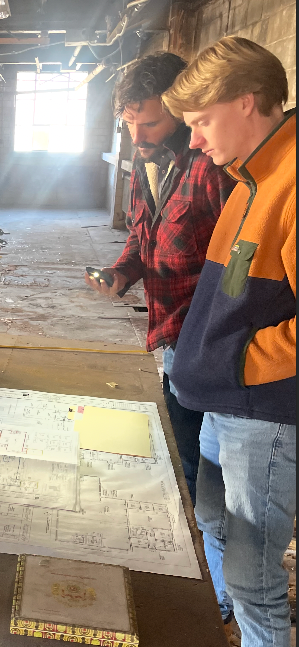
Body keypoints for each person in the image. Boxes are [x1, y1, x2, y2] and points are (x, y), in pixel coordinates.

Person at [162, 36, 296, 647]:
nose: (195, 136)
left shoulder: (295, 179)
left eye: (204, 119)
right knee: (213, 520)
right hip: (225, 403)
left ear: (248, 103)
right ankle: (222, 631)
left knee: (256, 576)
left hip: (265, 418)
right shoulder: (251, 175)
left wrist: (242, 361)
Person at [85, 52, 235, 504]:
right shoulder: (146, 163)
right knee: (182, 442)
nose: (136, 136)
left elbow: (244, 262)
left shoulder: (211, 168)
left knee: (205, 463)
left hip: (210, 342)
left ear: (179, 112)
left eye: (147, 124)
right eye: (128, 124)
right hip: (170, 334)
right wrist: (123, 272)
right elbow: (141, 232)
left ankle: (203, 548)